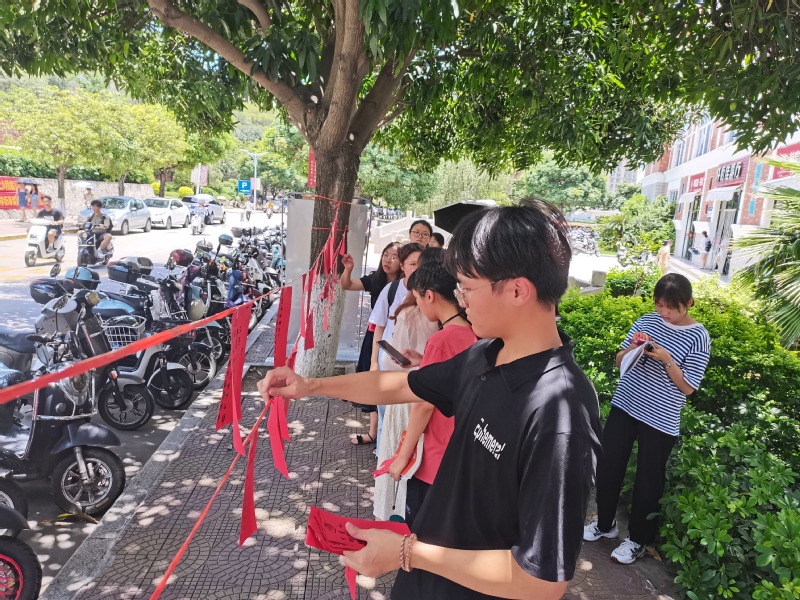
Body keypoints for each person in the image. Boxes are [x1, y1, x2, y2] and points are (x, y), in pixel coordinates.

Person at [258, 200, 602, 600]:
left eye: (467, 287)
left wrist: (408, 552)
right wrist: (310, 385)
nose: (461, 299)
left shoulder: (560, 413)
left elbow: (541, 581)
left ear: (517, 290)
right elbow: (401, 385)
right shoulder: (485, 355)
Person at [583, 273, 711, 565]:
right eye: (659, 305)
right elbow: (619, 360)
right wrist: (635, 347)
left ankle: (638, 540)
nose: (664, 312)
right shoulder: (647, 321)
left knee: (648, 480)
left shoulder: (698, 336)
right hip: (626, 404)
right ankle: (605, 524)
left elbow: (688, 387)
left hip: (660, 418)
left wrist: (666, 360)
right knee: (608, 465)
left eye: (672, 307)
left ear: (689, 303)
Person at [388, 260, 477, 527]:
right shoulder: (476, 331)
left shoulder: (441, 340)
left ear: (430, 295)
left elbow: (424, 404)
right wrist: (422, 360)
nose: (418, 305)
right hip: (463, 454)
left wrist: (402, 456)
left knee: (420, 533)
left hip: (435, 458)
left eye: (417, 299)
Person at [373, 274, 438, 520]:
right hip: (426, 397)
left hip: (408, 393)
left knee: (399, 456)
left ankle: (391, 515)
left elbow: (394, 362)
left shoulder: (409, 313)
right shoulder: (452, 325)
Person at [340, 242, 403, 445]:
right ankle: (374, 432)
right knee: (373, 381)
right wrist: (348, 269)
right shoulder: (376, 279)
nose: (388, 259)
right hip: (375, 336)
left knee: (391, 385)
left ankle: (390, 435)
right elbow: (346, 285)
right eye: (386, 254)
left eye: (394, 257)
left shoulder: (407, 285)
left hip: (398, 339)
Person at [369, 243, 425, 451]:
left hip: (416, 366)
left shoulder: (429, 293)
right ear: (402, 266)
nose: (417, 268)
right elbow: (379, 327)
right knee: (386, 415)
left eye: (421, 263)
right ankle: (382, 454)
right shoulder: (391, 290)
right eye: (412, 263)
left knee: (408, 417)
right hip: (388, 364)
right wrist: (374, 362)